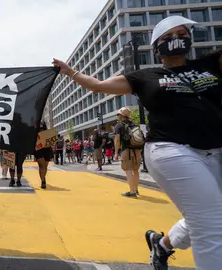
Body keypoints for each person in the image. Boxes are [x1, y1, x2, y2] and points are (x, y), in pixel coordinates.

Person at [52, 15, 222, 270]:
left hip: (215, 148)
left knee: (207, 214)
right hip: (172, 149)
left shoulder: (210, 64)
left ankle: (162, 245)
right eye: (168, 36)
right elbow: (98, 85)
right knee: (211, 222)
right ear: (156, 48)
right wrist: (70, 72)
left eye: (182, 33)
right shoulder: (144, 76)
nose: (176, 39)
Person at [114, 107, 142, 198]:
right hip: (137, 150)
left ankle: (132, 192)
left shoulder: (119, 126)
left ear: (121, 115)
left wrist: (116, 153)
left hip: (126, 151)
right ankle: (136, 189)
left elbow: (117, 141)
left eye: (118, 114)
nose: (117, 116)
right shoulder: (134, 125)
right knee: (136, 171)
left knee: (128, 171)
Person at [34, 121, 52, 189]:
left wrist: (42, 145)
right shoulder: (34, 133)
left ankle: (43, 178)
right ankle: (43, 181)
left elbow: (50, 144)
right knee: (42, 166)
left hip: (47, 151)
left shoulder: (48, 133)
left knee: (45, 167)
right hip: (38, 151)